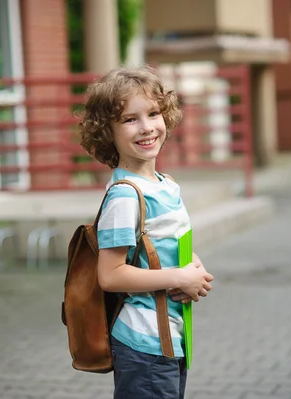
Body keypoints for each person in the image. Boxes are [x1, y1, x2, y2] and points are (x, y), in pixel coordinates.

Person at [78, 65, 214, 399]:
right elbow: (110, 275)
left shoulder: (164, 185)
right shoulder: (125, 195)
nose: (146, 127)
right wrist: (178, 278)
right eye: (129, 119)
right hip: (145, 346)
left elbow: (167, 245)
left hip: (170, 339)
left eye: (153, 113)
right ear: (107, 131)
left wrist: (193, 268)